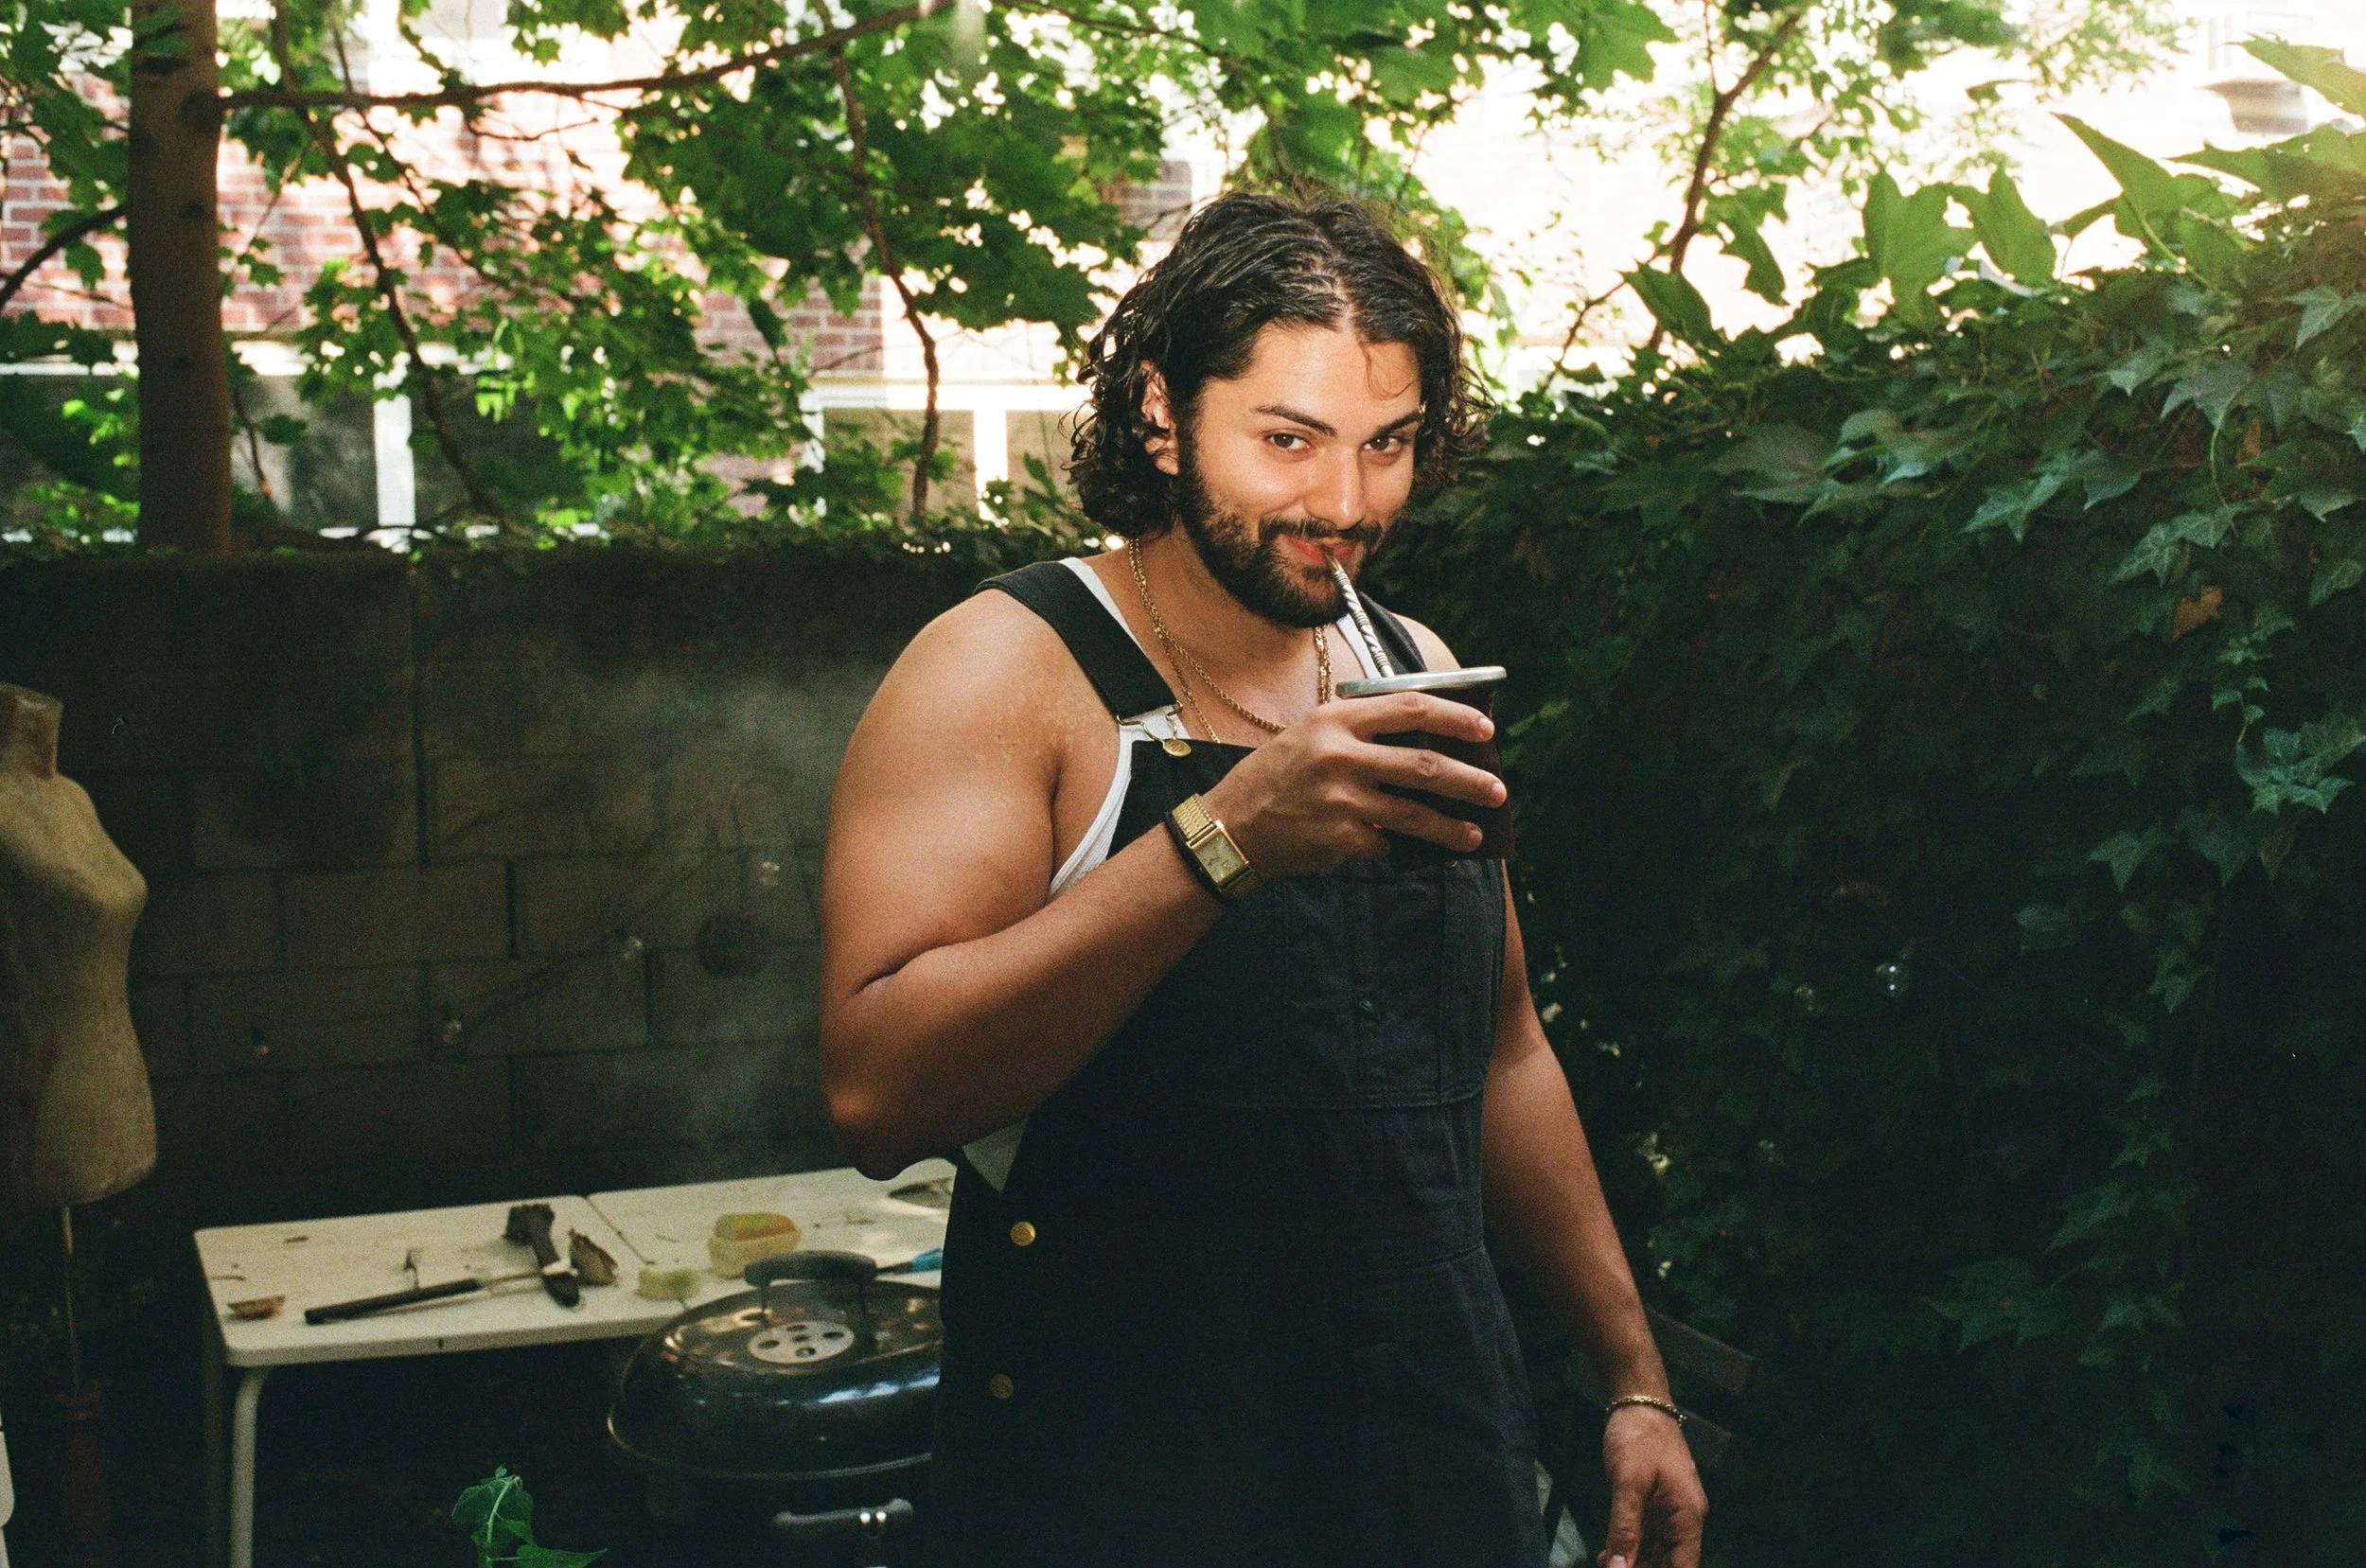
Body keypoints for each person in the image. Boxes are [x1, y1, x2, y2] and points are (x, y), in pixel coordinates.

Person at [820, 190, 1705, 1568]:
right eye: (1288, 440)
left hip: (1426, 1458)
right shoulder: (1007, 669)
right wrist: (1222, 838)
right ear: (1161, 414)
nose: (1345, 506)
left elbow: (1498, 1049)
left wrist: (1632, 1378)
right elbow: (878, 1093)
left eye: (1387, 446)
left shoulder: (1410, 666)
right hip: (1125, 1482)